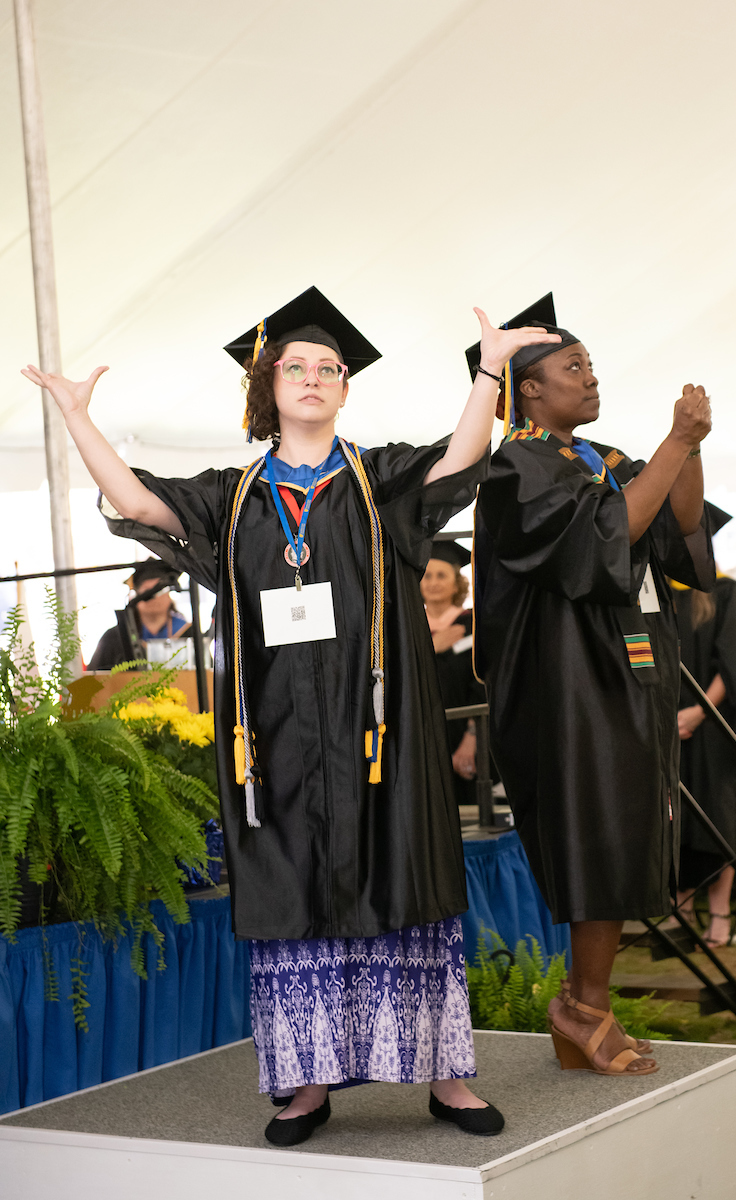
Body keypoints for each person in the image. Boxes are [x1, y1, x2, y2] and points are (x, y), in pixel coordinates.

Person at [23, 285, 561, 1145]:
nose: (313, 377)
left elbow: (460, 460)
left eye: (329, 368)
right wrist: (79, 418)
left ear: (345, 388)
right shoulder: (232, 498)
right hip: (272, 737)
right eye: (296, 366)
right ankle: (306, 1083)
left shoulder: (380, 480)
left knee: (403, 876)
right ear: (267, 385)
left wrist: (489, 373)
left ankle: (447, 1076)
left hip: (379, 730)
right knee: (289, 889)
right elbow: (139, 503)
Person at [470, 292, 715, 1078]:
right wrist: (675, 442)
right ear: (529, 389)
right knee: (595, 833)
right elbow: (607, 537)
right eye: (573, 366)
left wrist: (690, 448)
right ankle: (583, 1006)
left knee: (621, 830)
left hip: (624, 674)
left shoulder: (599, 458)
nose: (590, 376)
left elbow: (679, 529)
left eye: (591, 364)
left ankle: (585, 1003)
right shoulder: (515, 466)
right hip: (565, 683)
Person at [672, 568, 736, 949]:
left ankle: (720, 913)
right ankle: (683, 910)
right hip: (668, 725)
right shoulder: (655, 592)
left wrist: (699, 711)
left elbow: (733, 662)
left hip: (714, 728)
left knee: (718, 819)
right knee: (676, 821)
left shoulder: (725, 591)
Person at [421, 540, 484, 799]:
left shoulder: (474, 624)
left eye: (441, 575)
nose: (433, 582)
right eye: (427, 576)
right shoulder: (411, 628)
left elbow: (482, 684)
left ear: (457, 583)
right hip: (422, 736)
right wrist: (433, 647)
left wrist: (472, 739)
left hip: (466, 736)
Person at [87, 558, 189, 669]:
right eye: (148, 592)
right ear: (137, 596)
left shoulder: (188, 633)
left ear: (169, 596)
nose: (154, 598)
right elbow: (92, 677)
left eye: (159, 590)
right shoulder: (115, 637)